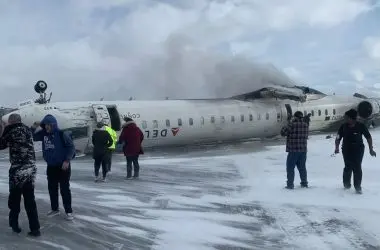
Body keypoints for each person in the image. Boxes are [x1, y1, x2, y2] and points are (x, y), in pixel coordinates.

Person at [0, 113, 41, 236]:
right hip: (31, 169)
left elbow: (1, 145)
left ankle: (14, 225)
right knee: (30, 200)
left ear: (11, 121)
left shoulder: (11, 130)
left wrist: (3, 129)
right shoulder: (27, 130)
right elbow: (31, 131)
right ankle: (35, 229)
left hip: (18, 170)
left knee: (14, 199)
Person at [31, 114, 75, 220]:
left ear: (54, 125)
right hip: (51, 166)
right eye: (45, 125)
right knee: (52, 189)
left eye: (49, 125)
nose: (47, 127)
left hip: (63, 166)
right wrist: (34, 127)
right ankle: (55, 209)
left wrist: (67, 160)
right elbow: (33, 136)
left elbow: (71, 147)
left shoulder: (62, 134)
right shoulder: (43, 134)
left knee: (64, 189)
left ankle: (69, 211)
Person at [335, 109, 376, 194]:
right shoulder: (343, 126)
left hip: (358, 150)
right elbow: (338, 137)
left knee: (357, 167)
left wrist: (371, 149)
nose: (345, 119)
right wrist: (336, 147)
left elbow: (368, 137)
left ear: (352, 118)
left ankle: (357, 187)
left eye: (347, 117)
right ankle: (346, 185)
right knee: (347, 167)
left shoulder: (361, 126)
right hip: (346, 149)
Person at [280, 111, 309, 189]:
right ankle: (304, 183)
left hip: (293, 150)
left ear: (295, 117)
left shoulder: (291, 125)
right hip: (303, 150)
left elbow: (283, 133)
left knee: (290, 168)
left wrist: (288, 122)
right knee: (302, 168)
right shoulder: (305, 125)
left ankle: (290, 184)